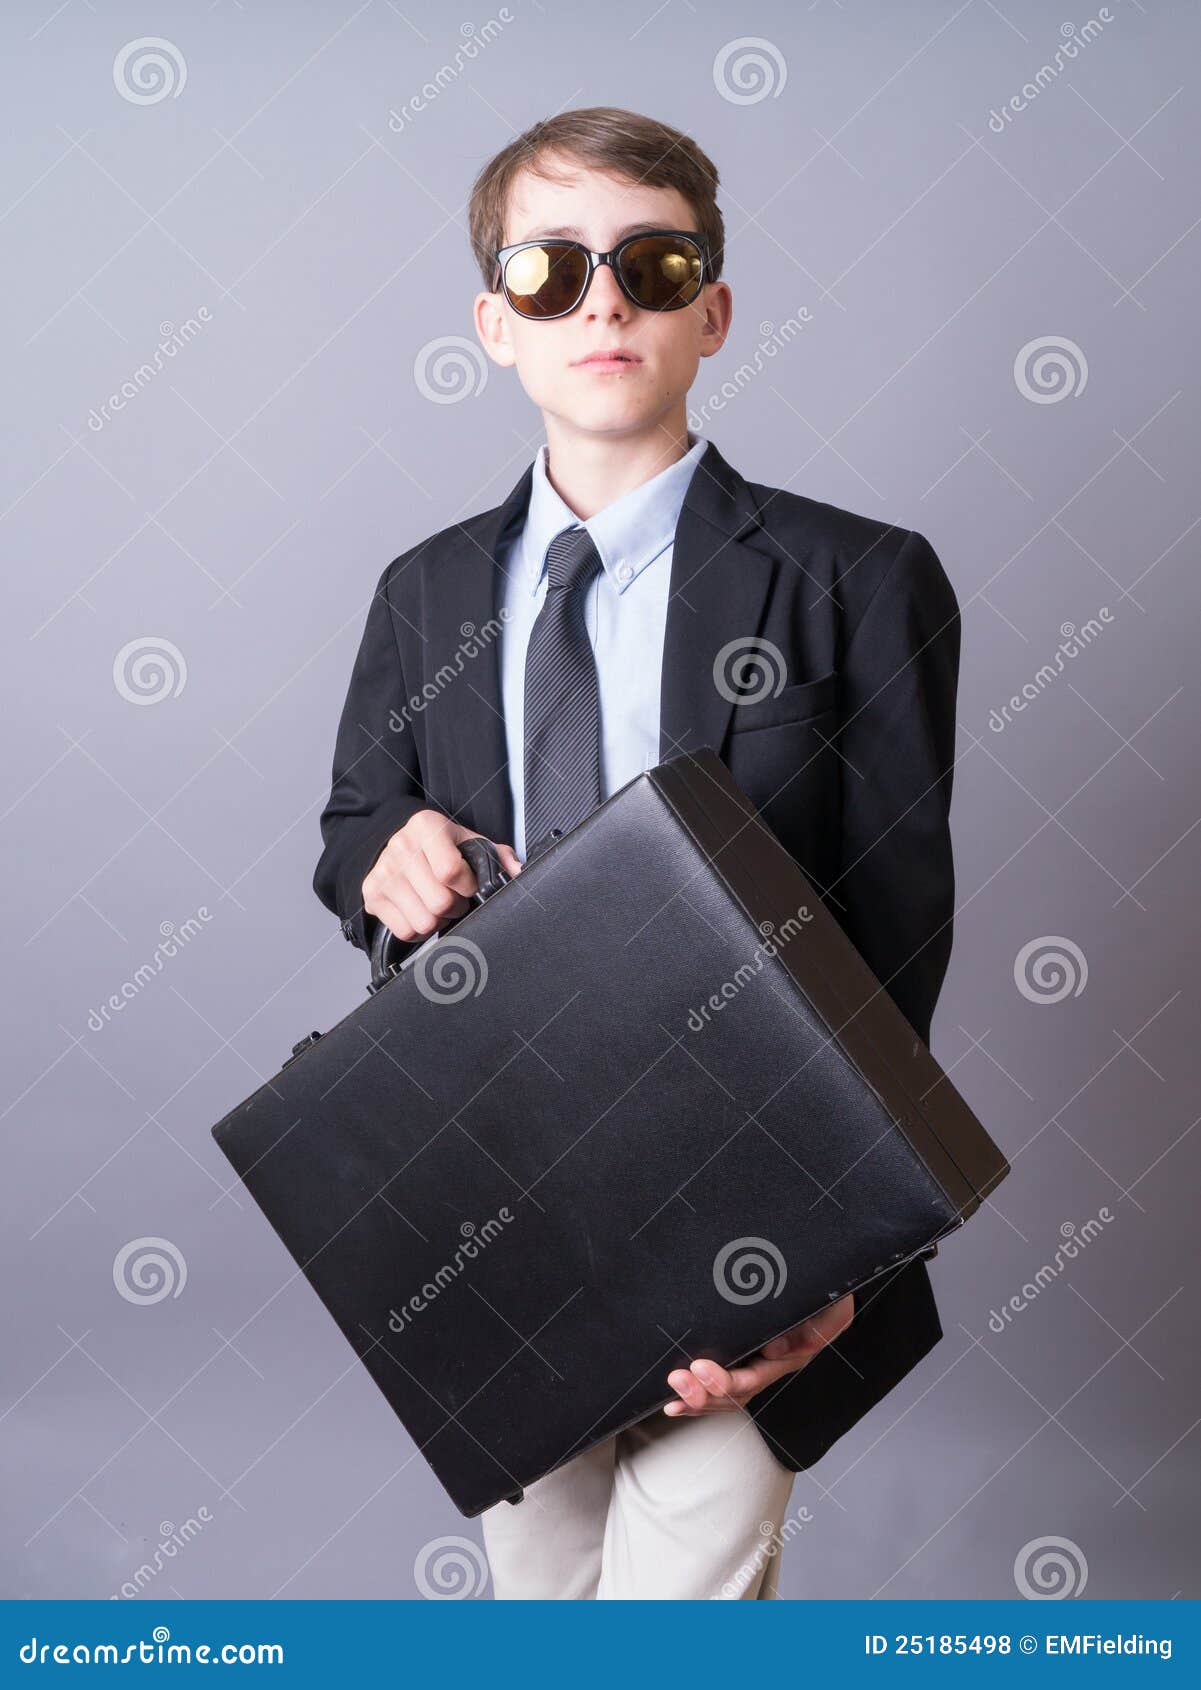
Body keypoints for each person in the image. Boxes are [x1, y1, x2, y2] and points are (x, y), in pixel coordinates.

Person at [313, 106, 960, 1599]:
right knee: (540, 1596)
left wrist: (838, 1258)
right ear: (494, 322)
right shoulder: (421, 594)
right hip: (498, 1184)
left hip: (755, 1188)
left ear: (710, 310)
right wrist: (383, 859)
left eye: (651, 263)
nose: (600, 301)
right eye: (549, 271)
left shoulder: (857, 581)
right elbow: (354, 824)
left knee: (681, 1604)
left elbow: (897, 935)